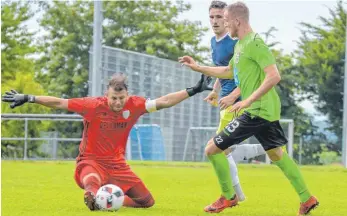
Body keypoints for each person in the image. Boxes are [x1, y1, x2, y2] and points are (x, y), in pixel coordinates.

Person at [179, 2, 319, 215]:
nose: (223, 24)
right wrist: (197, 66)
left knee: (212, 149)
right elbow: (227, 71)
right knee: (276, 154)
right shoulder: (240, 45)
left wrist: (246, 101)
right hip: (262, 111)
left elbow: (274, 76)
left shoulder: (255, 43)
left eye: (226, 20)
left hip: (257, 111)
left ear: (237, 21)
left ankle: (228, 196)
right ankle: (307, 198)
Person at [2, 72, 212, 210]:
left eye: (121, 98)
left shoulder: (136, 105)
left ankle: (108, 200)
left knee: (147, 202)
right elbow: (59, 102)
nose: (118, 102)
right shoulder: (92, 105)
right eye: (114, 98)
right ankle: (92, 196)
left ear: (127, 95)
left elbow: (165, 101)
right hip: (90, 161)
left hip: (118, 165)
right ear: (107, 95)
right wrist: (29, 97)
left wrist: (193, 90)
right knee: (91, 178)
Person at [205, 0, 267, 202]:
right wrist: (216, 90)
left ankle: (234, 195)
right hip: (226, 101)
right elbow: (223, 70)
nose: (215, 21)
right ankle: (238, 193)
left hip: (238, 101)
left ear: (228, 19)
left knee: (218, 148)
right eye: (212, 17)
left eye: (219, 17)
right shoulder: (214, 42)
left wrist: (233, 95)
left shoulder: (235, 43)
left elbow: (248, 74)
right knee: (222, 148)